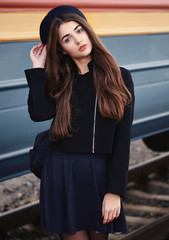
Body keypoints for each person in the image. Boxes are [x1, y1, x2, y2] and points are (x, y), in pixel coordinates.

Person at [25, 5, 135, 240]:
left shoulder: (120, 77)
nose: (77, 40)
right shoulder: (60, 82)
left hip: (99, 174)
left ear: (88, 30)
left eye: (79, 30)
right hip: (63, 173)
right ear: (62, 49)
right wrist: (38, 68)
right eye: (67, 39)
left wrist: (115, 191)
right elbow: (39, 113)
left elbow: (122, 138)